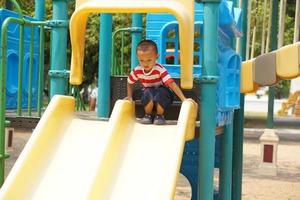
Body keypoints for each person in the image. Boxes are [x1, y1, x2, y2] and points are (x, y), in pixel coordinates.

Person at [124, 39, 196, 125]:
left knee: (162, 91)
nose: (145, 64)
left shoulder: (159, 69)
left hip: (163, 94)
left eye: (149, 60)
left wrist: (183, 99)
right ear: (138, 58)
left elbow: (171, 84)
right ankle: (148, 115)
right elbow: (129, 82)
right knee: (147, 91)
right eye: (141, 60)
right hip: (149, 93)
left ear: (156, 57)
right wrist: (129, 96)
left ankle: (159, 115)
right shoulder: (137, 70)